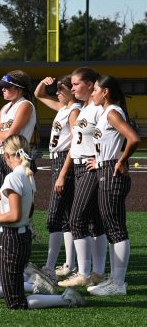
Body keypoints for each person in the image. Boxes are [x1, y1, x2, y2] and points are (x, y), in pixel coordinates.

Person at [0, 135, 86, 309]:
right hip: (18, 238)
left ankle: (65, 299)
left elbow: (14, 216)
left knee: (16, 303)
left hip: (11, 240)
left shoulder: (13, 177)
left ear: (6, 156)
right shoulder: (26, 175)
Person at [85, 76, 139, 295]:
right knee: (111, 228)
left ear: (105, 91)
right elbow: (112, 142)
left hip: (112, 174)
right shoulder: (107, 113)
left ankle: (118, 283)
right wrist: (103, 160)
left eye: (95, 89)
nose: (92, 93)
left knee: (116, 229)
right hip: (105, 170)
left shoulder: (112, 112)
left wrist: (121, 160)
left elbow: (133, 138)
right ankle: (115, 279)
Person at [57, 67, 107, 288]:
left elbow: (116, 135)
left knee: (76, 219)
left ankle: (84, 273)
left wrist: (100, 160)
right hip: (78, 168)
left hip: (90, 168)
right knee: (94, 222)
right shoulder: (85, 108)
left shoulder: (99, 109)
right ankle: (97, 272)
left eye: (76, 84)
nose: (73, 87)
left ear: (90, 84)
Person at [34, 75, 82, 282]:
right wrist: (44, 83)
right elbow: (38, 94)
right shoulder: (63, 108)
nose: (58, 93)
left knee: (54, 216)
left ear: (72, 90)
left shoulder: (74, 110)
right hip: (57, 159)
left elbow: (74, 145)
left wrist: (62, 173)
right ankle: (69, 265)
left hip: (63, 160)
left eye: (62, 89)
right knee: (64, 218)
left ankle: (49, 267)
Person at [0, 70, 36, 203]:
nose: (3, 89)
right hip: (4, 156)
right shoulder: (5, 108)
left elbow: (10, 135)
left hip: (18, 157)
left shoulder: (25, 105)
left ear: (19, 89)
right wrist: (3, 140)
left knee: (15, 203)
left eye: (7, 87)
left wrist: (1, 135)